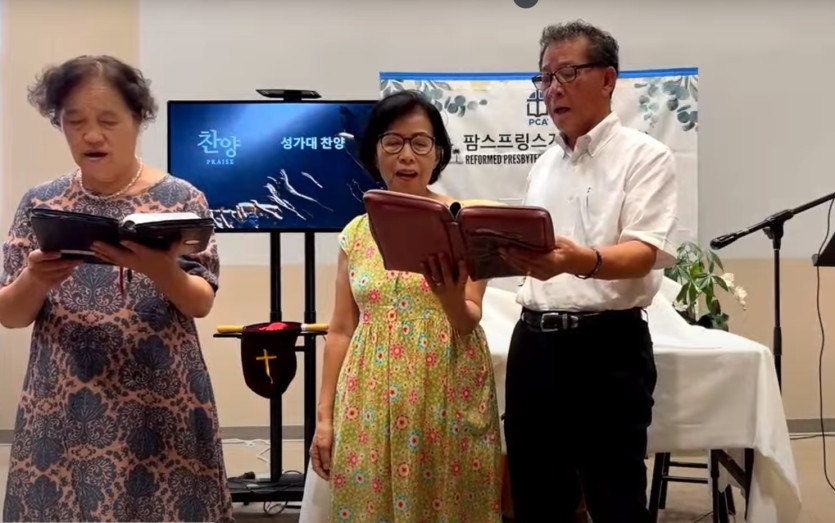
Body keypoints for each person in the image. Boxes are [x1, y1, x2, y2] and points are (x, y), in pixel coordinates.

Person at [0, 55, 234, 522]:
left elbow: (200, 301)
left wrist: (160, 269)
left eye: (108, 121)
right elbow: (10, 314)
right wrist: (35, 278)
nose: (91, 135)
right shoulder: (41, 202)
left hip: (161, 408)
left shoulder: (181, 199)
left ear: (138, 119)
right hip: (63, 410)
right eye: (75, 122)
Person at [499, 21, 679, 523]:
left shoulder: (646, 156)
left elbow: (644, 251)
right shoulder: (543, 164)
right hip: (534, 344)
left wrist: (577, 261)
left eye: (567, 73)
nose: (553, 89)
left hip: (607, 346)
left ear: (608, 79)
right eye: (545, 77)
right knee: (536, 498)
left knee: (615, 495)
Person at [309, 90, 503, 522]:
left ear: (439, 153)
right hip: (368, 398)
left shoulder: (465, 223)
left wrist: (450, 298)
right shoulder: (355, 233)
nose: (407, 155)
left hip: (446, 389)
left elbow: (468, 318)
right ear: (375, 152)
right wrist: (325, 417)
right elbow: (341, 329)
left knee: (448, 507)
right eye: (393, 142)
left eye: (420, 142)